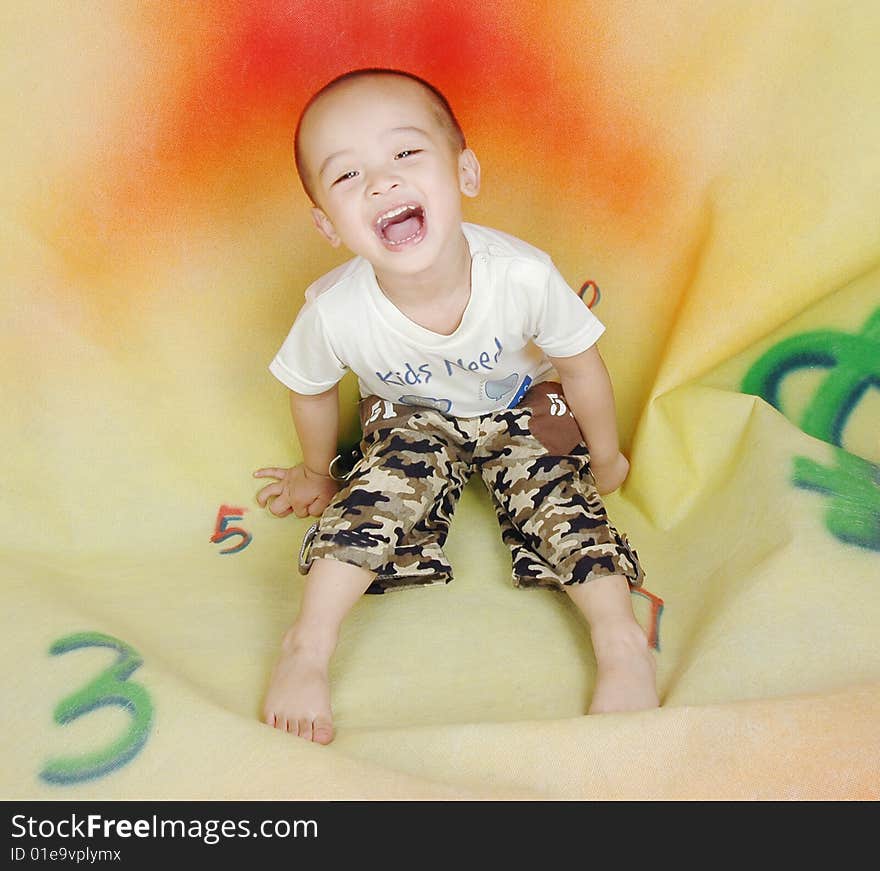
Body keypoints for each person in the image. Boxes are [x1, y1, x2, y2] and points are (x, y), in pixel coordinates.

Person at [254, 68, 658, 744]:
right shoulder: (335, 309)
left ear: (465, 173)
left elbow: (583, 365)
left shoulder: (523, 275)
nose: (381, 182)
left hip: (525, 402)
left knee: (558, 492)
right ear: (327, 224)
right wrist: (315, 470)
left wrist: (607, 452)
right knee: (376, 493)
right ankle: (307, 644)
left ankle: (619, 639)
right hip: (410, 413)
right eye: (347, 176)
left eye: (406, 154)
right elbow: (311, 388)